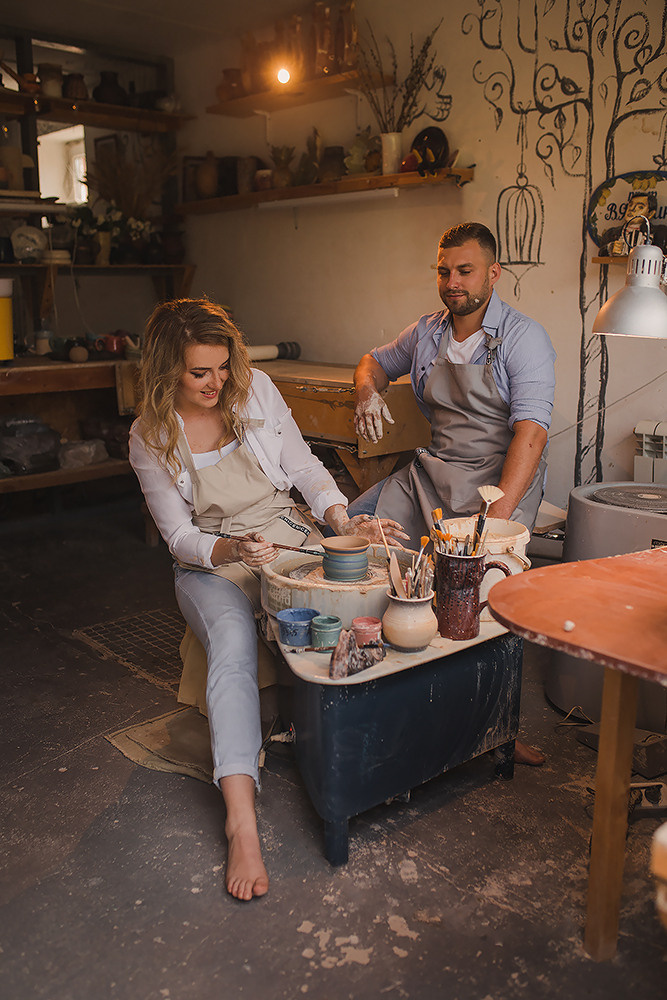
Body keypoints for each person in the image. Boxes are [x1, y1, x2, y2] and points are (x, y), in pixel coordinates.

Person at [129, 298, 403, 901]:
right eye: (199, 372)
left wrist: (343, 519)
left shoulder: (254, 391)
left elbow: (303, 468)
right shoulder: (150, 435)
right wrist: (229, 552)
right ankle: (241, 822)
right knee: (230, 643)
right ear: (166, 370)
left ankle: (387, 742)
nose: (216, 383)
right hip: (211, 563)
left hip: (285, 532)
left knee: (378, 590)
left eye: (222, 368)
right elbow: (178, 536)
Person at [351, 221, 556, 765]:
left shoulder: (522, 337)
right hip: (434, 473)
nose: (452, 282)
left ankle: (498, 727)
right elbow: (373, 361)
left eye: (464, 271)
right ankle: (388, 698)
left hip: (497, 482)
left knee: (483, 600)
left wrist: (495, 527)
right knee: (353, 533)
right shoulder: (427, 332)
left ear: (493, 273)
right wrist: (367, 393)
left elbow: (532, 432)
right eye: (444, 271)